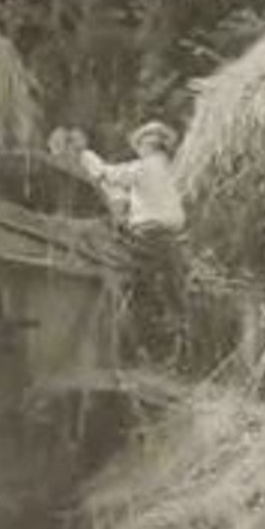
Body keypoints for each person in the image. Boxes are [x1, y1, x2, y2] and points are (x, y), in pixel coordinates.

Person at [79, 121, 188, 362]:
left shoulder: (144, 168)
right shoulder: (168, 170)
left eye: (141, 143)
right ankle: (175, 342)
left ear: (149, 145)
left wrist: (87, 156)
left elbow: (108, 174)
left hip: (151, 237)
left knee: (141, 288)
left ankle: (141, 344)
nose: (138, 147)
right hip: (170, 239)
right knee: (172, 294)